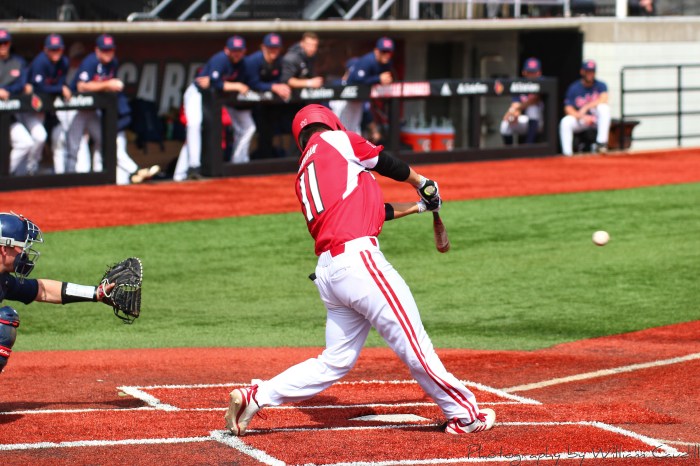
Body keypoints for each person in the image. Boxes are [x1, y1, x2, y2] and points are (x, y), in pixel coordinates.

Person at [224, 104, 496, 437]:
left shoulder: (306, 170)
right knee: (414, 343)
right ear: (331, 123)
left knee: (335, 360)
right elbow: (387, 163)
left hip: (330, 271)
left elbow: (370, 210)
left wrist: (419, 206)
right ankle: (466, 415)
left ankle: (257, 395)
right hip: (359, 263)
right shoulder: (338, 141)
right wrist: (421, 181)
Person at [0, 212, 114, 374]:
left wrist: (97, 293)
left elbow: (41, 290)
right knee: (3, 323)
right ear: (4, 249)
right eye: (21, 247)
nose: (25, 252)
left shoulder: (3, 279)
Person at [68, 34, 159, 184]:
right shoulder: (90, 62)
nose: (108, 53)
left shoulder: (112, 63)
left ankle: (130, 171)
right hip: (75, 108)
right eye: (104, 50)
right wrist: (107, 84)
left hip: (92, 110)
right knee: (75, 144)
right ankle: (72, 179)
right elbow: (81, 86)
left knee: (106, 140)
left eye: (110, 50)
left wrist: (108, 85)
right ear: (97, 50)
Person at [180, 36, 252, 175]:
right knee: (194, 125)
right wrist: (235, 85)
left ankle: (184, 172)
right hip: (197, 93)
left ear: (244, 51)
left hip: (213, 99)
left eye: (240, 50)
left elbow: (215, 83)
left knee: (203, 130)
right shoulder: (220, 59)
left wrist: (223, 84)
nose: (237, 53)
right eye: (234, 50)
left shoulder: (242, 64)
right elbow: (212, 82)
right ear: (227, 50)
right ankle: (193, 166)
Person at [22, 33, 71, 175]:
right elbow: (39, 88)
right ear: (46, 49)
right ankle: (30, 170)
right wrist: (60, 89)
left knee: (59, 138)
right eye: (52, 49)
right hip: (32, 108)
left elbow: (60, 83)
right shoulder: (40, 62)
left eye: (58, 49)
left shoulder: (64, 62)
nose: (56, 52)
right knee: (39, 137)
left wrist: (61, 88)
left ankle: (60, 173)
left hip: (49, 108)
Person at [246, 33, 291, 160]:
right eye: (271, 47)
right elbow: (252, 83)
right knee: (251, 131)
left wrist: (281, 86)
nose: (274, 51)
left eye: (276, 47)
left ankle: (268, 157)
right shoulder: (253, 61)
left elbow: (282, 79)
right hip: (245, 104)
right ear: (263, 47)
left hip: (269, 105)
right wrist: (273, 87)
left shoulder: (280, 61)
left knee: (270, 131)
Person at [279, 32, 324, 158]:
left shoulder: (311, 56)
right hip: (285, 100)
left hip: (301, 101)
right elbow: (286, 80)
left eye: (314, 45)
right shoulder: (292, 57)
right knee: (295, 131)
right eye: (309, 45)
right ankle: (290, 161)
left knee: (306, 130)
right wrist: (310, 82)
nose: (312, 48)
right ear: (302, 44)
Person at [338, 37, 395, 134]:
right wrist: (378, 79)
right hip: (346, 95)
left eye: (389, 52)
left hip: (360, 98)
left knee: (354, 129)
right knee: (343, 128)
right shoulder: (367, 61)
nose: (387, 55)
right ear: (377, 51)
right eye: (384, 51)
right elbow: (357, 80)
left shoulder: (387, 63)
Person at [0, 29, 37, 176]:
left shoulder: (18, 62)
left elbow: (22, 84)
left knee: (25, 142)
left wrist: (6, 90)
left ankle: (4, 174)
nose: (3, 46)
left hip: (8, 114)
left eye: (5, 43)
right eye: (0, 43)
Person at [559, 59, 611, 156]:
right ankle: (567, 154)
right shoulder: (574, 87)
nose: (590, 74)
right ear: (582, 71)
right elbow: (567, 108)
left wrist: (586, 107)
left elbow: (604, 99)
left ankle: (601, 143)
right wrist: (581, 116)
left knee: (604, 108)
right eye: (588, 71)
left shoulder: (601, 85)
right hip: (582, 119)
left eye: (592, 71)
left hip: (596, 119)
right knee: (565, 122)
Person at [500, 57, 544, 146]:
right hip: (524, 122)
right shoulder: (520, 85)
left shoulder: (543, 82)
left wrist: (515, 109)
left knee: (533, 109)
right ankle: (510, 152)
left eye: (534, 72)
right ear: (524, 72)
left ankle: (528, 147)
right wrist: (513, 113)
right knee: (505, 124)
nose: (531, 75)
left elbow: (534, 100)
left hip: (539, 123)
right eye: (529, 72)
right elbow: (515, 105)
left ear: (539, 73)